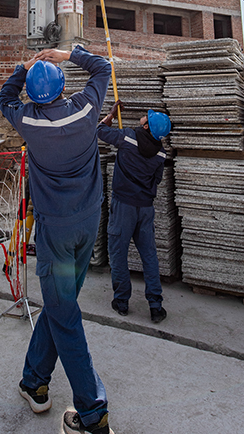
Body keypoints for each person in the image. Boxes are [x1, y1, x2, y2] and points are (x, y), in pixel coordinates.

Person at [0, 45, 114, 434]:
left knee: (63, 312)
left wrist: (25, 66)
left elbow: (4, 96)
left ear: (33, 95)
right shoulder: (86, 110)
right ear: (64, 85)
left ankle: (93, 412)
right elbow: (102, 67)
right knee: (59, 302)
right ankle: (34, 380)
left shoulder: (27, 121)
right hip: (87, 224)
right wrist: (65, 53)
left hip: (56, 234)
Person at [97, 102, 171, 323]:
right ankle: (156, 306)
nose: (143, 119)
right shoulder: (161, 154)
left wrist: (110, 114)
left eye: (146, 119)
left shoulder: (128, 138)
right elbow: (156, 180)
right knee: (149, 255)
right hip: (145, 208)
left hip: (124, 207)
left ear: (147, 127)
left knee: (118, 253)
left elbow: (99, 131)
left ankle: (121, 302)